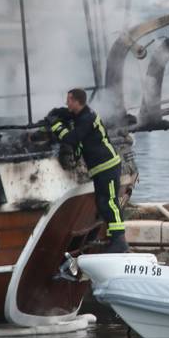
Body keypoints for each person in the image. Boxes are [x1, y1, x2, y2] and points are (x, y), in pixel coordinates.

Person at [47, 88, 127, 253]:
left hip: (108, 165)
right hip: (99, 168)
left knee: (109, 202)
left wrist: (56, 125)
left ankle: (119, 242)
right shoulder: (80, 114)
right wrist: (55, 113)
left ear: (77, 101)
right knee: (102, 203)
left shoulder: (87, 118)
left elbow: (72, 139)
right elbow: (68, 114)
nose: (66, 102)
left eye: (68, 100)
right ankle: (114, 240)